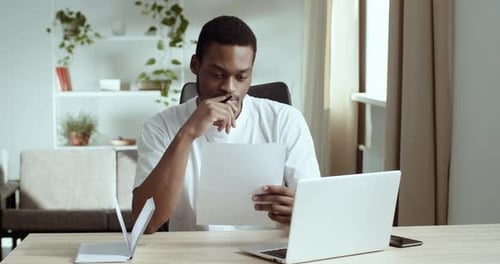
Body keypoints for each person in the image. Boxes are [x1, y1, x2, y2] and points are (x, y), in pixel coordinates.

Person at [132, 15, 320, 233]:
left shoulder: (286, 121)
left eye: (241, 77)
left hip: (266, 252)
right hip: (193, 254)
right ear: (195, 65)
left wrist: (302, 210)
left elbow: (315, 209)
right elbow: (144, 224)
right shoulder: (159, 127)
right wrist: (188, 133)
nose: (229, 88)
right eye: (218, 74)